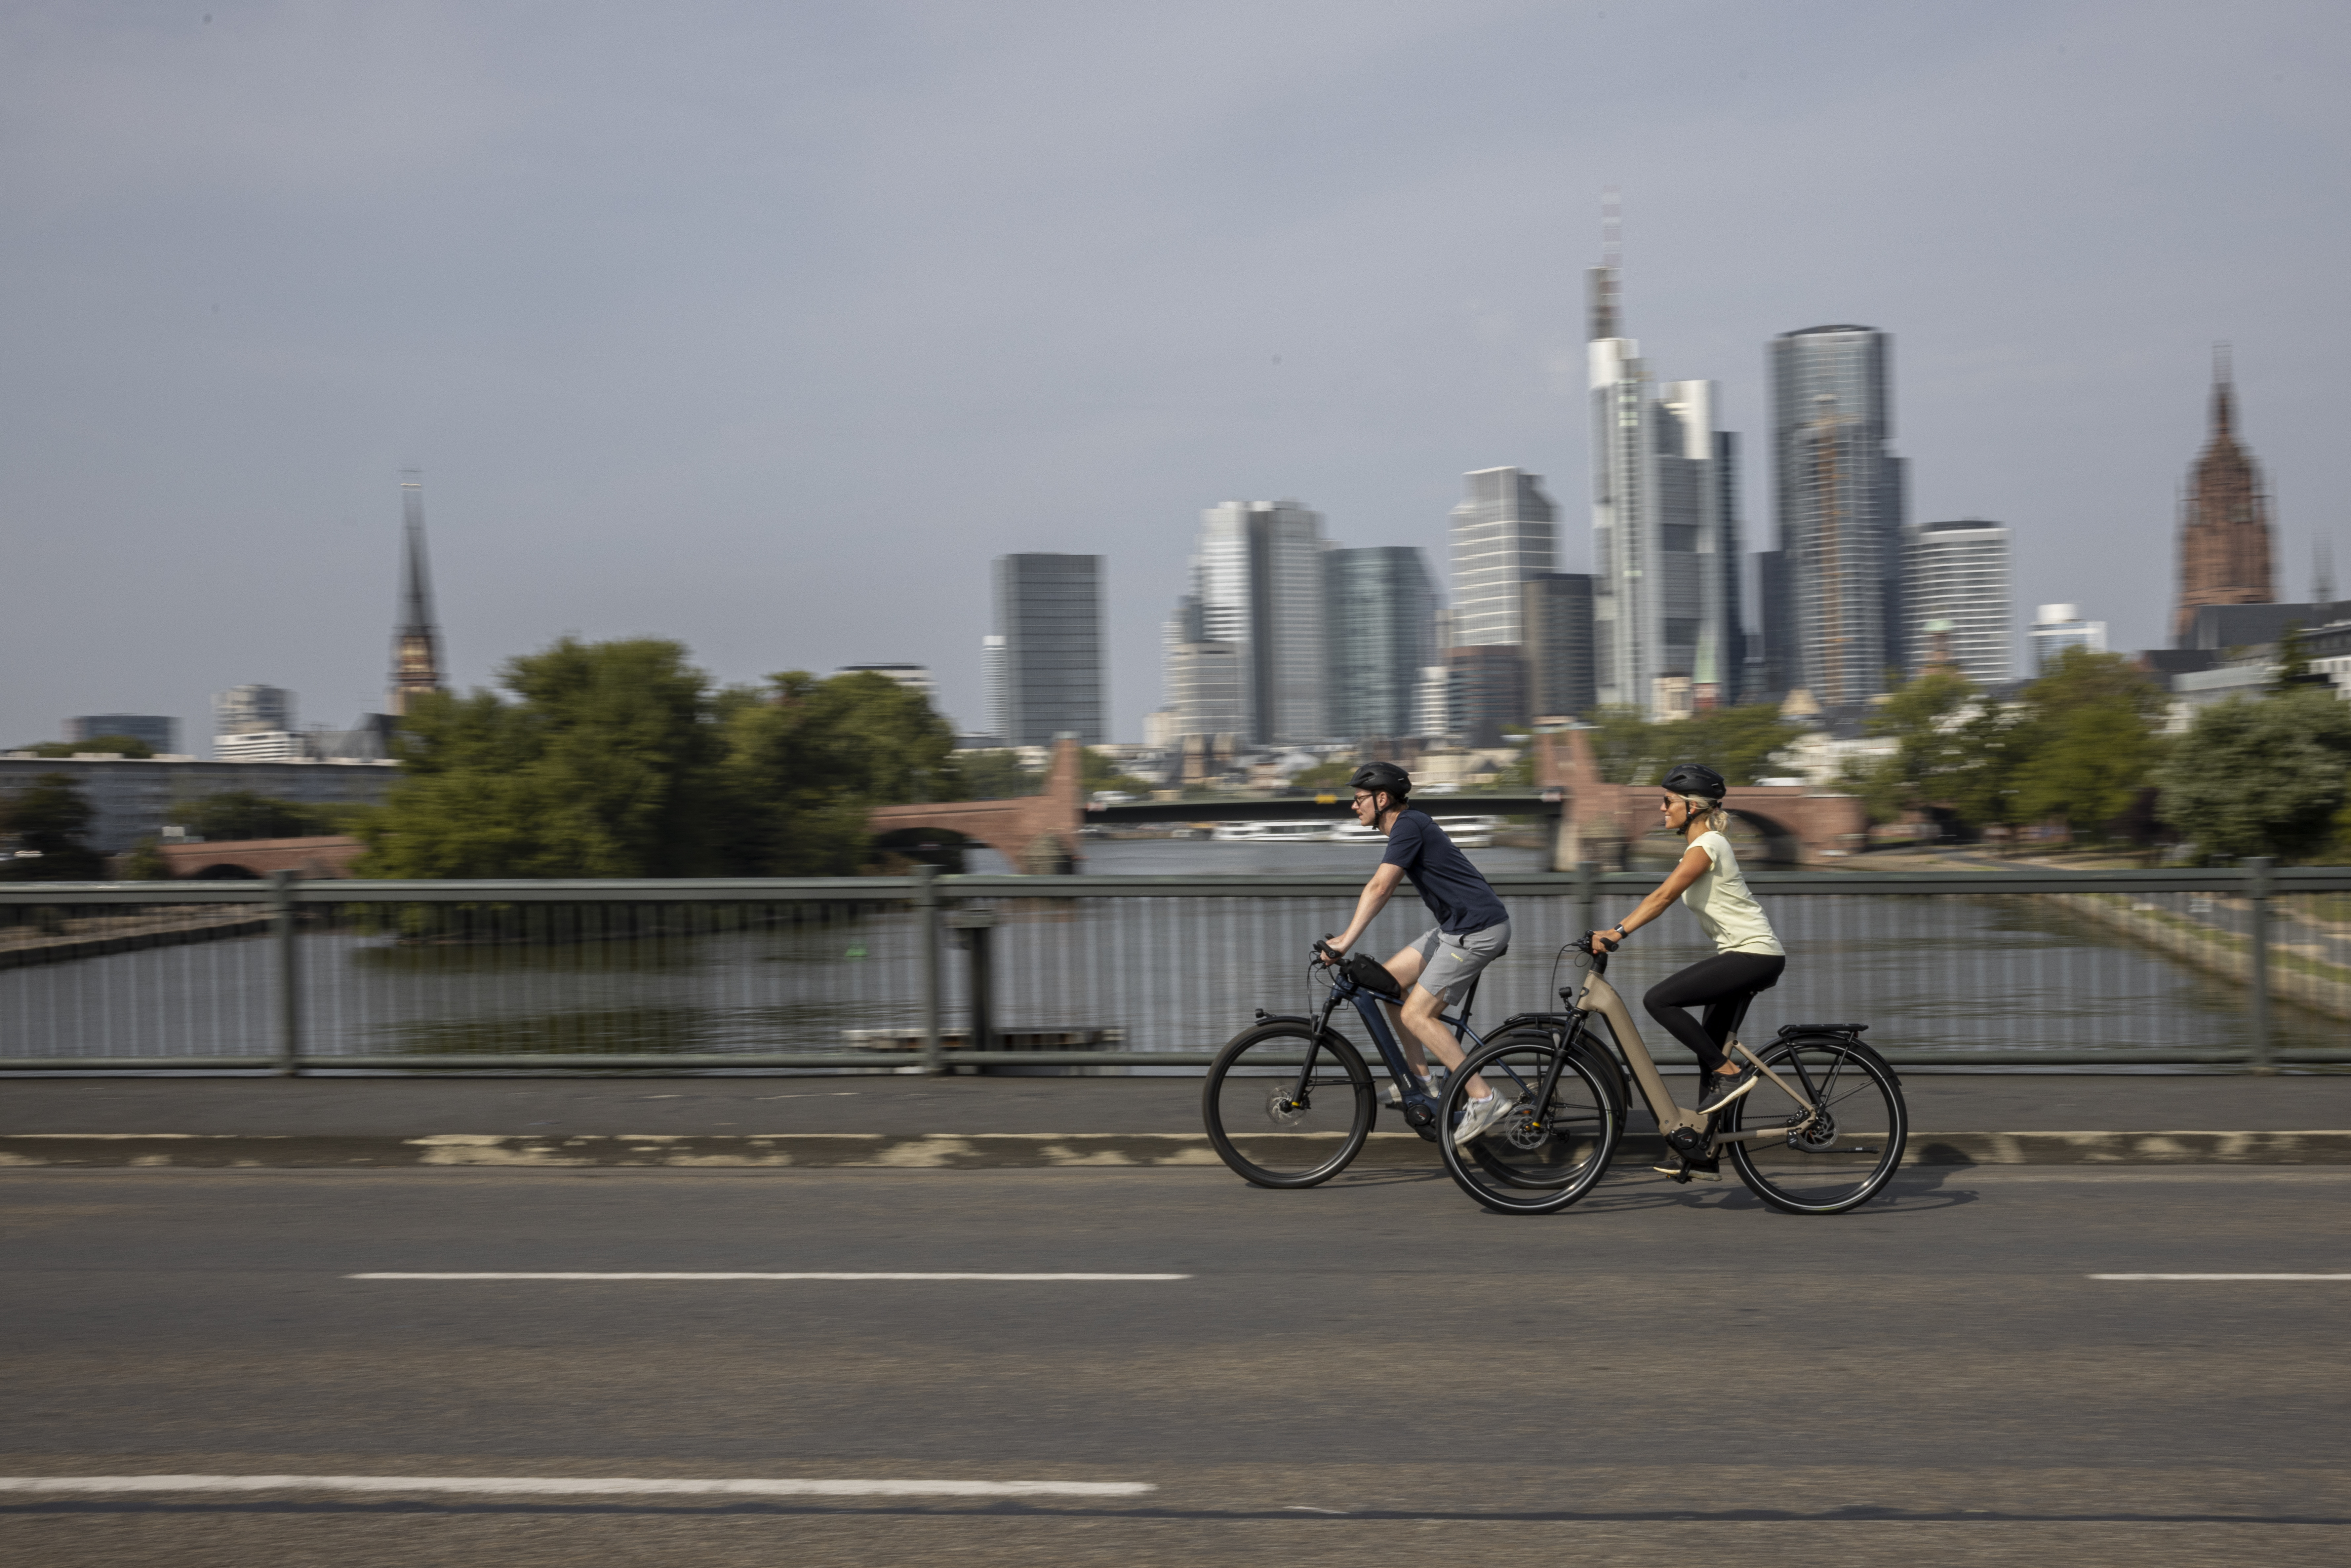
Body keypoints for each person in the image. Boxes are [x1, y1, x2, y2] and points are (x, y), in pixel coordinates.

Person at [1589, 763, 1786, 1180]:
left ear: (1693, 806)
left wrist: (1617, 931)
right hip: (1746, 953)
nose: (1661, 808)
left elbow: (1663, 895)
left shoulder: (1709, 845)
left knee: (1659, 1000)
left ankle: (1731, 1074)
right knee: (1708, 1054)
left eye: (1668, 801)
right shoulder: (1701, 847)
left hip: (1754, 955)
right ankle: (1703, 1151)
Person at [1325, 761, 1513, 1148]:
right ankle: (1421, 1081)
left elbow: (1380, 887)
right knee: (1386, 987)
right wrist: (1345, 936)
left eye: (1358, 799)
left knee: (1415, 1013)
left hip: (1476, 931)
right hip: (1455, 929)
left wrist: (1344, 941)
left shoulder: (1408, 825)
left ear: (1382, 799)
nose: (1352, 806)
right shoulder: (1408, 827)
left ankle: (1484, 1097)